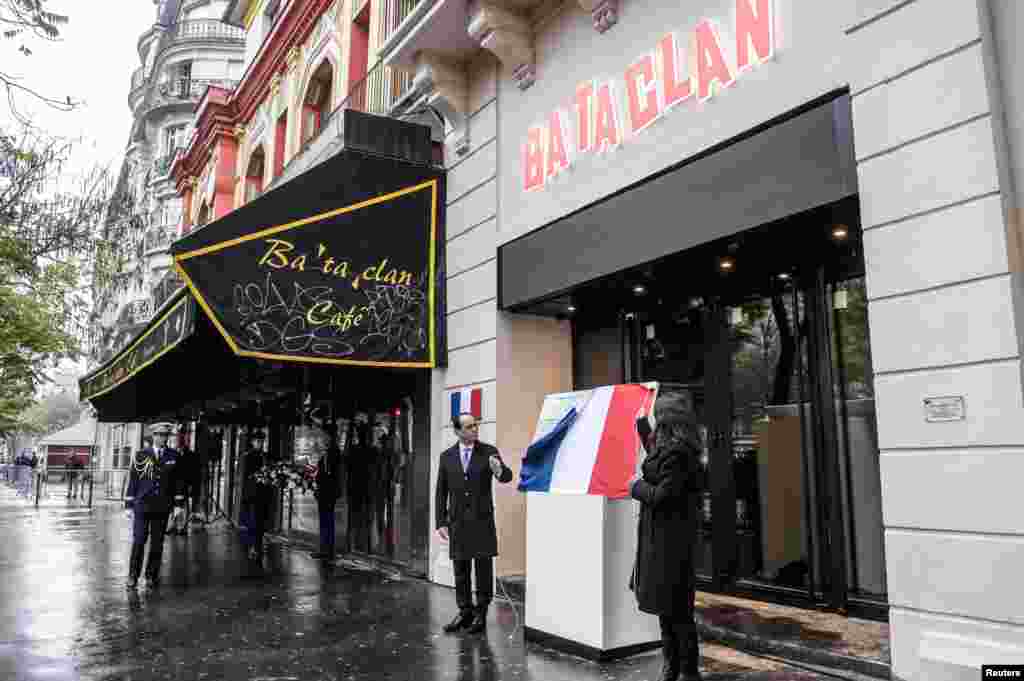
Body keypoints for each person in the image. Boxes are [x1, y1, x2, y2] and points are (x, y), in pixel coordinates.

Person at [628, 392, 704, 681]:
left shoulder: (679, 454)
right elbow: (655, 458)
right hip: (663, 540)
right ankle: (671, 667)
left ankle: (687, 671)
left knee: (678, 612)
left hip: (671, 543)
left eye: (657, 416)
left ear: (666, 421)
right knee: (667, 609)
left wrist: (635, 486)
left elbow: (661, 494)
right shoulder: (672, 448)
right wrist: (640, 423)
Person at [435, 411, 513, 635]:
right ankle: (464, 611)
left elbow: (506, 476)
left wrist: (498, 470)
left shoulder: (489, 451)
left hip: (482, 520)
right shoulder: (447, 456)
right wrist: (441, 521)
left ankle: (481, 613)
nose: (474, 429)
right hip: (458, 521)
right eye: (469, 427)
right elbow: (441, 491)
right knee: (460, 568)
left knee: (483, 568)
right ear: (458, 431)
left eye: (475, 425)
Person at [125, 425, 183, 588]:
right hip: (143, 504)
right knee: (139, 540)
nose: (163, 438)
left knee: (157, 543)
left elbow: (178, 482)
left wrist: (178, 504)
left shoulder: (174, 455)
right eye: (159, 435)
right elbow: (134, 480)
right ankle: (133, 576)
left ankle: (151, 575)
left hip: (162, 506)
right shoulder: (141, 455)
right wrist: (128, 505)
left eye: (165, 435)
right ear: (153, 436)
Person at [240, 430, 272, 561]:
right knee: (253, 522)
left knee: (261, 522)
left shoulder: (266, 456)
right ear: (253, 442)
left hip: (263, 494)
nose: (260, 443)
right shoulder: (248, 456)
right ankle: (252, 547)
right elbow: (247, 476)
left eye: (261, 441)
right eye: (257, 441)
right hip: (253, 494)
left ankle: (257, 546)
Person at [311, 426, 342, 560]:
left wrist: (318, 479)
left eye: (324, 436)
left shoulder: (332, 452)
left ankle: (327, 550)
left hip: (327, 491)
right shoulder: (329, 451)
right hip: (326, 491)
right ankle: (325, 548)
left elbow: (329, 474)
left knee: (326, 520)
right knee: (325, 520)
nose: (322, 439)